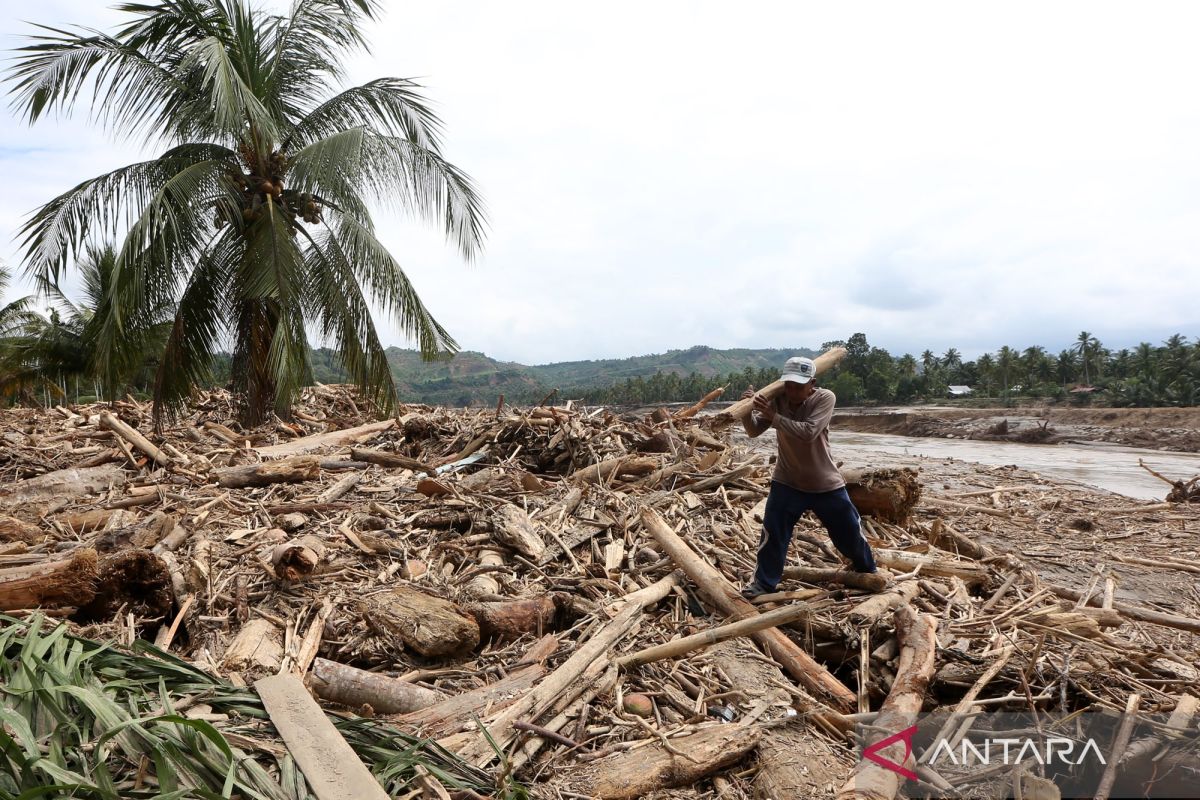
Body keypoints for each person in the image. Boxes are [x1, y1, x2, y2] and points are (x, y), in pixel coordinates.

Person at [740, 356, 877, 599]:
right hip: (787, 481)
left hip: (825, 483)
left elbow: (809, 432)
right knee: (773, 534)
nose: (792, 392)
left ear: (812, 383)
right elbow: (753, 431)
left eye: (799, 387)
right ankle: (763, 583)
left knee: (849, 534)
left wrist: (773, 416)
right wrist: (746, 410)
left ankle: (868, 571)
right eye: (789, 386)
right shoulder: (778, 400)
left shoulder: (825, 398)